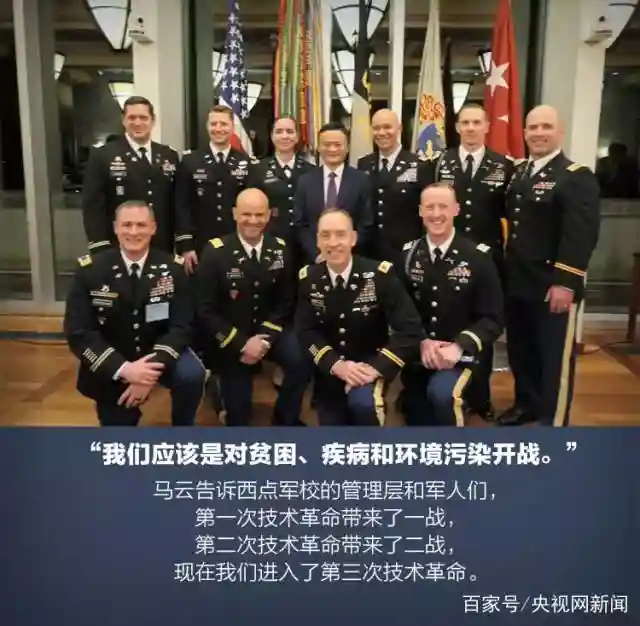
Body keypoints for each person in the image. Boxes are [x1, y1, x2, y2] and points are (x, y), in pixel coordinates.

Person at [498, 105, 600, 427]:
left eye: (546, 127)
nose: (538, 133)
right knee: (522, 350)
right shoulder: (519, 173)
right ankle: (526, 403)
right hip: (518, 281)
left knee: (554, 356)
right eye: (533, 127)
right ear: (525, 132)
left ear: (560, 132)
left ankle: (552, 420)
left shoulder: (575, 176)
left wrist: (566, 282)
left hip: (551, 285)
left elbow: (580, 235)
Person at [64, 200, 206, 427]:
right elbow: (79, 332)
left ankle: (183, 428)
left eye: (141, 225)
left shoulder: (173, 268)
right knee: (120, 435)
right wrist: (125, 370)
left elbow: (182, 326)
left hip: (158, 350)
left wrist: (148, 374)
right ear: (115, 228)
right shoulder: (91, 271)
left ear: (153, 228)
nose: (133, 232)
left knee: (191, 374)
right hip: (113, 356)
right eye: (127, 225)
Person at [295, 208, 425, 426]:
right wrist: (336, 365)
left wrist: (375, 368)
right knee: (333, 433)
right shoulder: (309, 278)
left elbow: (410, 330)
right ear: (317, 240)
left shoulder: (379, 276)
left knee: (364, 405)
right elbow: (306, 332)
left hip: (370, 365)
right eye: (325, 235)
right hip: (331, 369)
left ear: (353, 238)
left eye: (340, 234)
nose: (333, 242)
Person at [195, 188, 312, 426]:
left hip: (268, 331)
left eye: (259, 214)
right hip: (231, 337)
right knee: (239, 418)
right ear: (234, 214)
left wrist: (265, 338)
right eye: (246, 214)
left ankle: (285, 416)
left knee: (302, 358)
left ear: (269, 215)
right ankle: (218, 390)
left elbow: (286, 300)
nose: (253, 220)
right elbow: (205, 311)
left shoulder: (279, 249)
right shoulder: (215, 253)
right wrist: (242, 344)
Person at [431, 102, 514, 420]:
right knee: (448, 322)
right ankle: (450, 390)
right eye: (465, 122)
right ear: (456, 127)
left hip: (486, 262)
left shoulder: (503, 166)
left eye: (476, 122)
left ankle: (480, 397)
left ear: (487, 126)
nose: (470, 128)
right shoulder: (441, 162)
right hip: (446, 257)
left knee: (482, 328)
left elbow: (513, 215)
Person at [399, 183, 504, 427]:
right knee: (417, 417)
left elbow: (493, 319)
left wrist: (459, 346)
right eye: (430, 207)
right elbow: (400, 312)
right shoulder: (408, 255)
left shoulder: (478, 257)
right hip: (420, 356)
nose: (436, 214)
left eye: (443, 207)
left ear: (456, 209)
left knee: (443, 395)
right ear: (420, 211)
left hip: (461, 357)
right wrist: (422, 342)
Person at [81, 96, 180, 256]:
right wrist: (99, 246)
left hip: (161, 245)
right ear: (124, 120)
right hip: (119, 245)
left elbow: (177, 202)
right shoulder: (103, 156)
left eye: (143, 117)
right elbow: (93, 206)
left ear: (153, 120)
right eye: (132, 118)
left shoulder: (168, 155)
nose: (137, 123)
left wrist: (182, 242)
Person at [174, 105, 254, 274]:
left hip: (235, 242)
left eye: (223, 124)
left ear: (232, 127)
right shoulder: (190, 161)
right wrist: (186, 246)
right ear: (207, 126)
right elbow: (181, 205)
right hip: (200, 244)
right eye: (213, 124)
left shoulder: (245, 162)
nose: (218, 129)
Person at [357, 108, 433, 269]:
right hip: (370, 254)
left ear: (399, 128)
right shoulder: (364, 164)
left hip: (405, 252)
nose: (381, 133)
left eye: (387, 127)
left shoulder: (419, 165)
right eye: (376, 128)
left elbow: (427, 211)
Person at [293, 122, 373, 265]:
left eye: (337, 145)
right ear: (319, 147)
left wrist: (344, 251)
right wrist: (317, 254)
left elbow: (366, 224)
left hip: (351, 260)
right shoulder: (305, 181)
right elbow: (300, 224)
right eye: (327, 144)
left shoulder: (361, 180)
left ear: (347, 147)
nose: (332, 149)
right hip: (315, 261)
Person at [246, 116, 315, 249]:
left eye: (289, 131)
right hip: (270, 241)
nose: (284, 136)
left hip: (305, 244)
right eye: (279, 132)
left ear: (297, 137)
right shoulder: (258, 169)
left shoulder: (311, 170)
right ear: (272, 136)